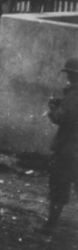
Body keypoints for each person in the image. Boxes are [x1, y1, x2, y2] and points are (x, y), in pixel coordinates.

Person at [44, 56, 78, 231]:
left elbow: (60, 118)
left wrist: (52, 108)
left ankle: (50, 226)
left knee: (58, 189)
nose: (69, 78)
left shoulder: (73, 96)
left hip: (67, 152)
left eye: (70, 75)